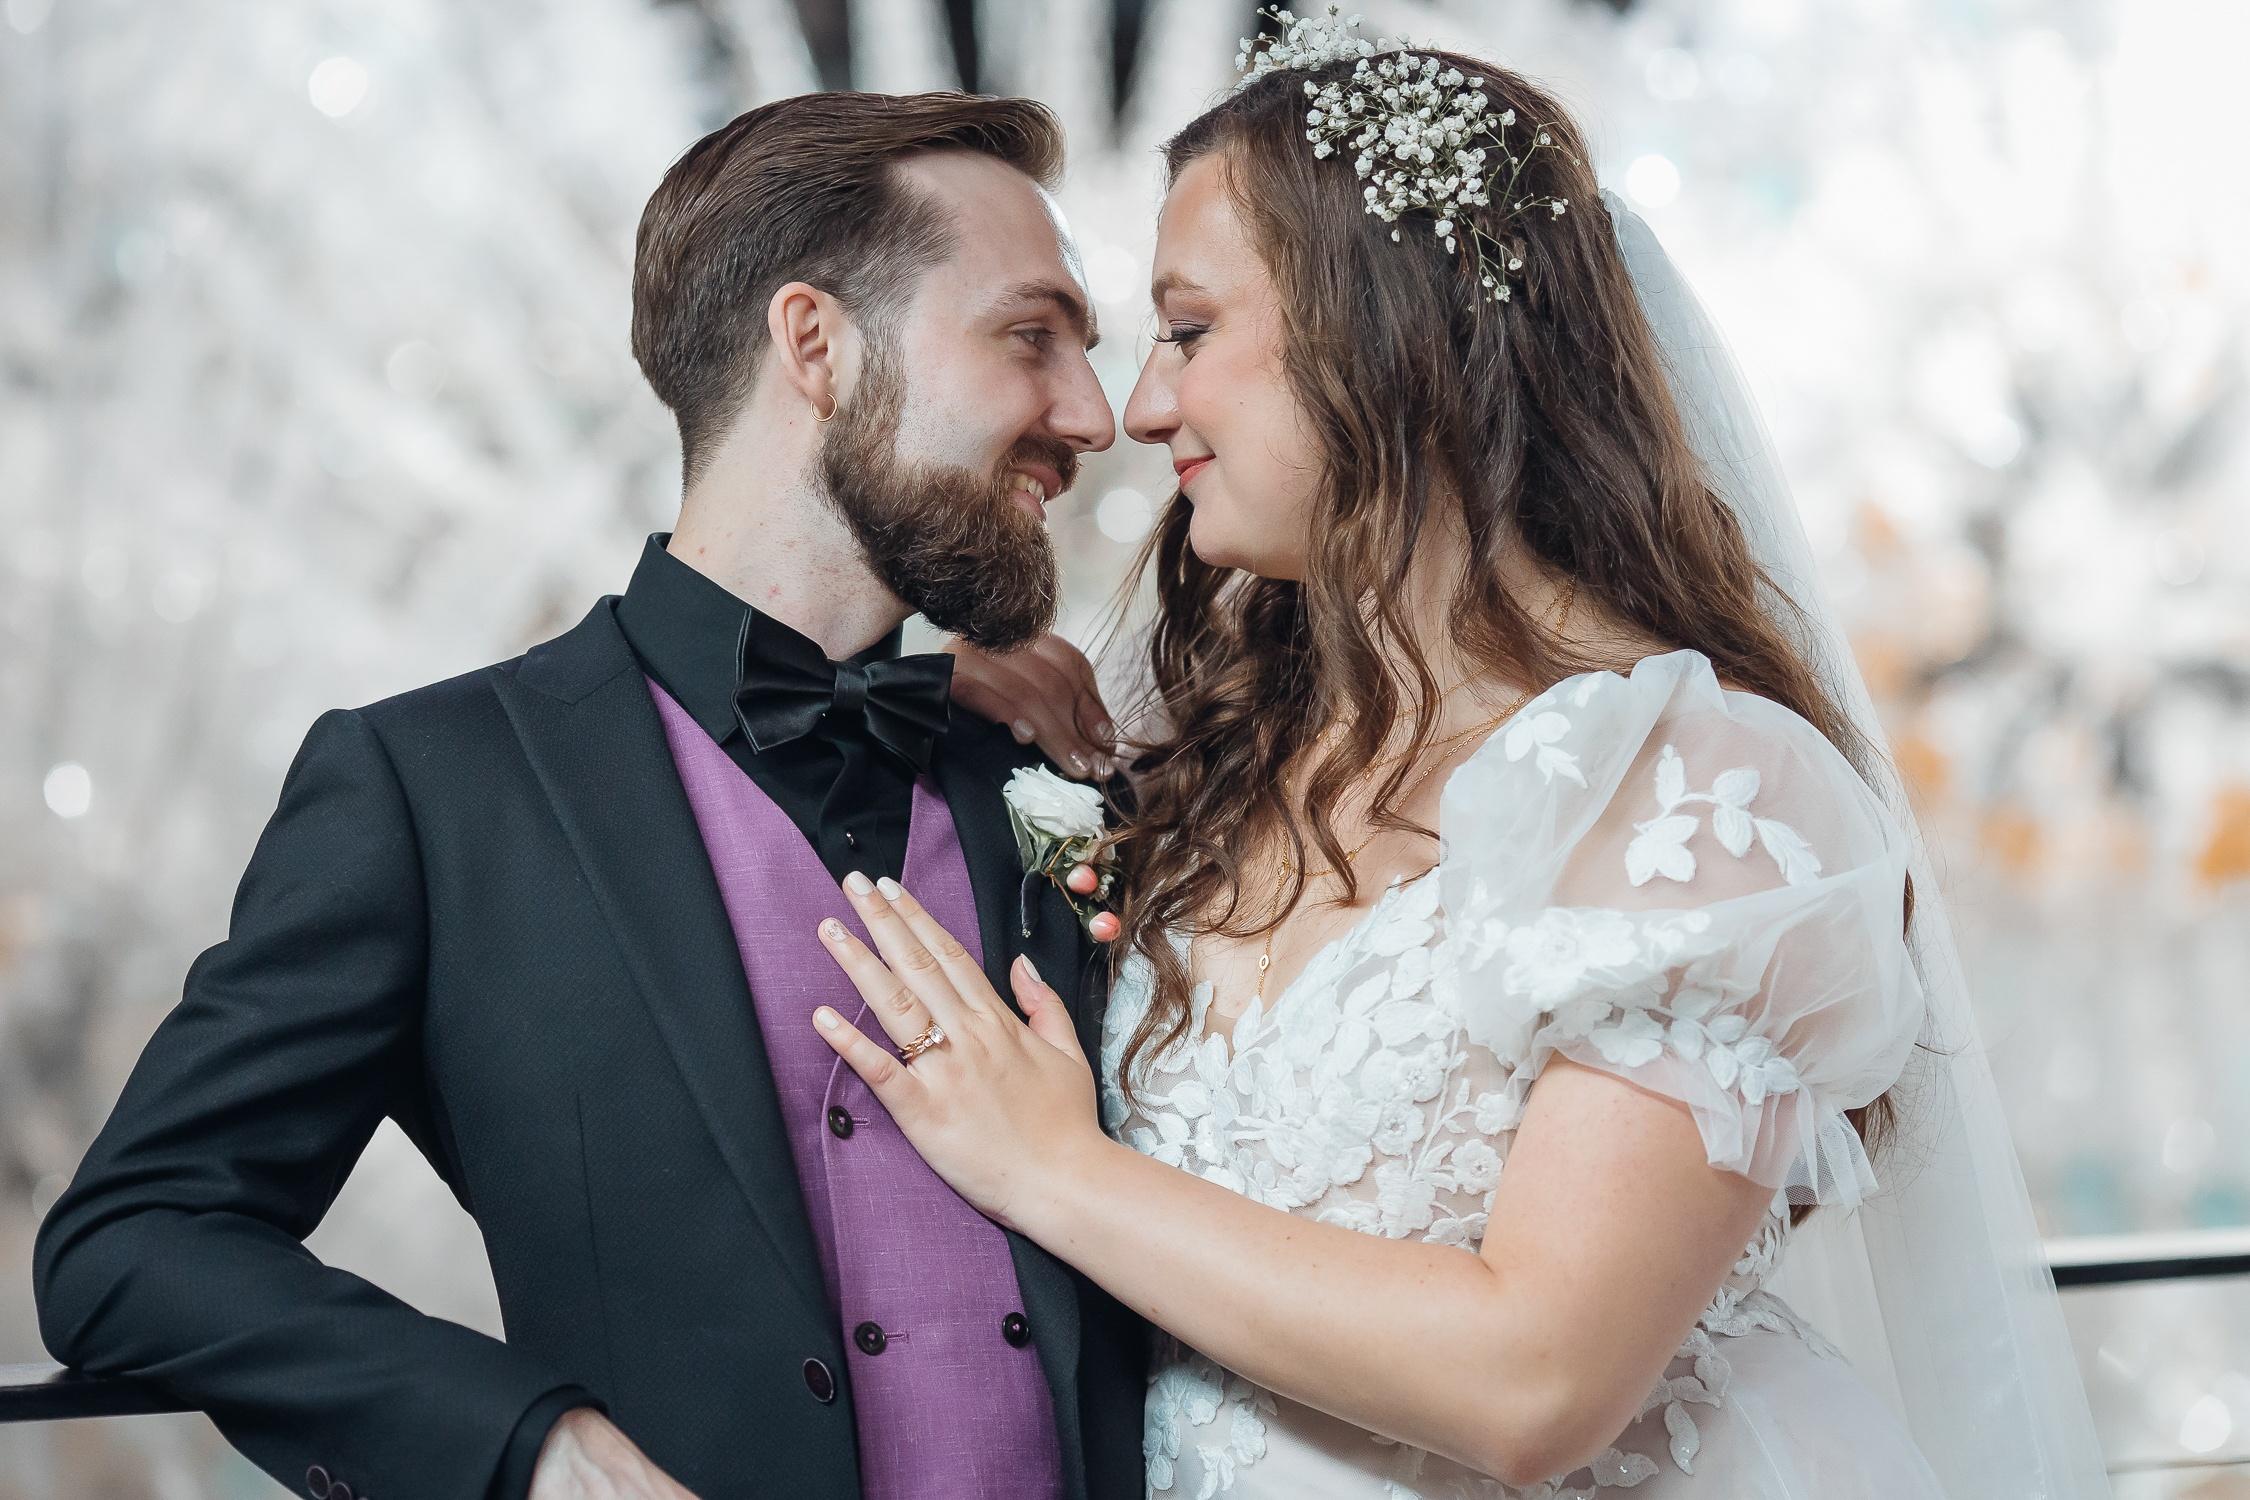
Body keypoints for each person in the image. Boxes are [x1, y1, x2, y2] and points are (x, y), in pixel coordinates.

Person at [812, 14, 2113, 1499]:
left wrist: (1051, 1168)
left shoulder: (1691, 790)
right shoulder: (1215, 749)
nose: (1145, 409)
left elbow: (1535, 1381)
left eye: (1187, 330)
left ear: (1385, 328)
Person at [31, 92, 1145, 1500]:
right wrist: (528, 1444)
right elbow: (133, 1239)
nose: (1093, 418)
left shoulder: (1049, 767)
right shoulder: (431, 793)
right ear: (816, 342)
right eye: (1028, 336)